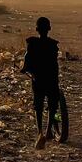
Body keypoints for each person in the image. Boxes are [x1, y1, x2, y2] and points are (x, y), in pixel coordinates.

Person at [22, 16, 68, 148]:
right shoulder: (53, 45)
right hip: (51, 79)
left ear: (37, 29)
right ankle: (48, 131)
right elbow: (54, 65)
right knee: (53, 105)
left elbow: (27, 63)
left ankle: (40, 132)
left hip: (38, 79)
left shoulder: (32, 44)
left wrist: (25, 70)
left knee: (38, 105)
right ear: (49, 29)